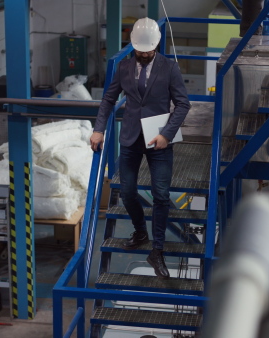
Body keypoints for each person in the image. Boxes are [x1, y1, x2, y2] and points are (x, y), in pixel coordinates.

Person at [90, 17, 191, 279]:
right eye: (140, 50)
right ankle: (140, 230)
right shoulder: (123, 67)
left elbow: (182, 104)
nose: (144, 54)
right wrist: (99, 129)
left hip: (159, 139)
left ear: (156, 45)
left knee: (160, 195)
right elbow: (108, 99)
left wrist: (167, 135)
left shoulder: (170, 68)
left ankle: (157, 250)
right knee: (126, 192)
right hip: (131, 137)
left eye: (148, 50)